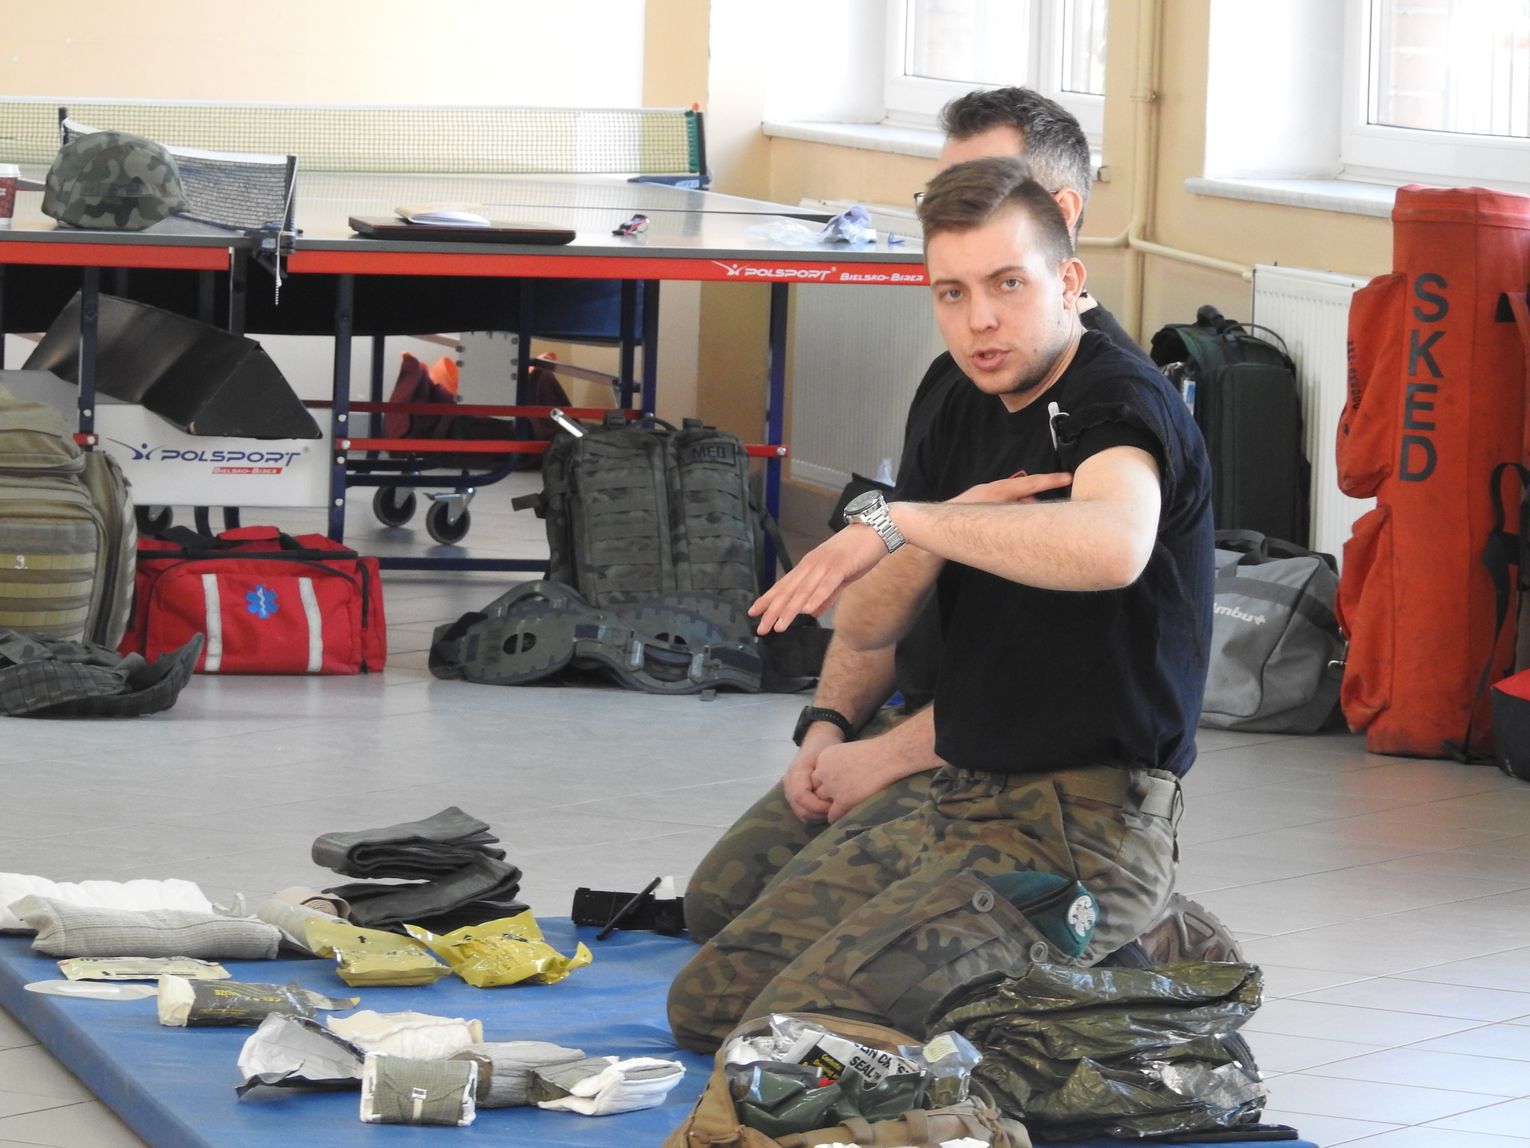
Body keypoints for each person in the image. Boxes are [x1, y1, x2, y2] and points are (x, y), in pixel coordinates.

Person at [666, 155, 1214, 1052]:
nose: (979, 320)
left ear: (1068, 281)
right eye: (951, 294)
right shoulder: (956, 391)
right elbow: (869, 625)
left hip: (1084, 825)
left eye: (1007, 284)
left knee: (783, 1038)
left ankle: (1129, 942)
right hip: (960, 789)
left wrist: (907, 520)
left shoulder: (1116, 401)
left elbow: (1115, 545)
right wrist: (928, 533)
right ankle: (1063, 950)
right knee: (707, 1004)